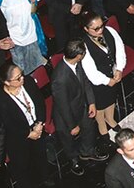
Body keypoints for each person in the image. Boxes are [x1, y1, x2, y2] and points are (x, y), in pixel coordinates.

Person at [0, 63, 54, 188]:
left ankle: (45, 177)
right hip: (17, 137)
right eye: (18, 78)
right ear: (7, 82)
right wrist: (28, 133)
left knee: (41, 155)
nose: (22, 79)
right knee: (22, 166)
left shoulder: (29, 82)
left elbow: (40, 103)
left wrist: (40, 124)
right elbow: (7, 124)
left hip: (36, 127)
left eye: (21, 75)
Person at [52, 39, 107, 175]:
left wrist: (92, 102)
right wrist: (72, 126)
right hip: (66, 116)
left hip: (81, 105)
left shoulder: (77, 63)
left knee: (89, 128)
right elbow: (63, 105)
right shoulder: (60, 78)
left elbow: (85, 82)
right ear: (78, 55)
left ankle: (87, 152)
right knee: (68, 141)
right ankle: (74, 161)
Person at [78, 11, 125, 138]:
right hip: (97, 82)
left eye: (101, 26)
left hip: (112, 74)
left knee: (111, 99)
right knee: (100, 105)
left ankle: (110, 119)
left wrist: (119, 68)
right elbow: (91, 72)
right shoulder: (84, 45)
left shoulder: (110, 31)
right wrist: (106, 81)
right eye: (95, 28)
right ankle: (102, 125)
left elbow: (120, 50)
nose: (100, 30)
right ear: (86, 29)